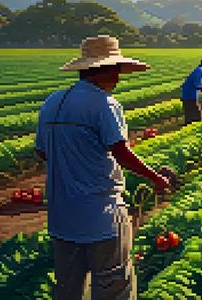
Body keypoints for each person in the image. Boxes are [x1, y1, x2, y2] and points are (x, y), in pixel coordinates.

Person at [34, 35, 175, 300]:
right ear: (105, 69)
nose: (119, 79)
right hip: (101, 214)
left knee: (67, 287)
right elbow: (121, 152)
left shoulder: (52, 102)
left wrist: (72, 164)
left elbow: (42, 151)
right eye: (117, 71)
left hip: (62, 214)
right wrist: (156, 178)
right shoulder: (105, 105)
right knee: (113, 284)